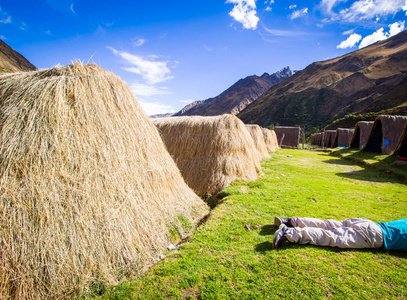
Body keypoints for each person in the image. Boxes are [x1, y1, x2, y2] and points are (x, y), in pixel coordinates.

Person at [272, 216, 407, 251]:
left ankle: (289, 221)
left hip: (371, 224)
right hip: (376, 236)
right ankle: (289, 233)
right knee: (334, 237)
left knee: (329, 224)